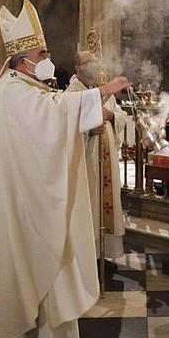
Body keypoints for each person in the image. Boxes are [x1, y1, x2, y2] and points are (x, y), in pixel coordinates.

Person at [0, 1, 130, 338]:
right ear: (22, 59)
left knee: (43, 256)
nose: (48, 58)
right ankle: (25, 334)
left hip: (33, 192)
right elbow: (52, 115)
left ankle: (46, 333)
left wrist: (91, 109)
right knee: (30, 257)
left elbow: (52, 119)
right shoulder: (12, 90)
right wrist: (101, 92)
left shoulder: (27, 85)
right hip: (26, 200)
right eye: (42, 52)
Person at [66, 50, 128, 258]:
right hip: (86, 161)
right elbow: (63, 128)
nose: (94, 65)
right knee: (89, 206)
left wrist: (111, 116)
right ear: (78, 68)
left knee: (105, 206)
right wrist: (87, 131)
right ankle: (87, 257)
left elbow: (121, 116)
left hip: (107, 159)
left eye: (95, 61)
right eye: (88, 62)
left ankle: (103, 254)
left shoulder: (101, 92)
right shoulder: (71, 94)